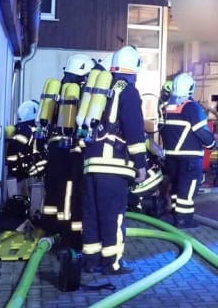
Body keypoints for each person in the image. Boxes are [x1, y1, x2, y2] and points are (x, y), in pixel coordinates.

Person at [81, 46, 149, 275]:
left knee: (92, 215)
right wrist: (141, 165)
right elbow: (134, 130)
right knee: (113, 216)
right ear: (135, 70)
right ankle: (112, 264)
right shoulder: (128, 91)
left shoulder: (100, 87)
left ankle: (91, 261)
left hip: (90, 163)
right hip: (113, 165)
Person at [42, 53, 93, 243]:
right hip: (72, 150)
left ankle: (50, 227)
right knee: (70, 190)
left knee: (54, 189)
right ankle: (70, 234)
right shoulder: (78, 92)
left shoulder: (58, 89)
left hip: (54, 146)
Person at [159, 72, 216, 228]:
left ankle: (175, 215)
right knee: (187, 191)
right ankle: (184, 220)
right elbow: (202, 132)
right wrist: (212, 144)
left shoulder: (166, 107)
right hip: (190, 158)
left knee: (177, 188)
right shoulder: (191, 108)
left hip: (172, 157)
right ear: (190, 88)